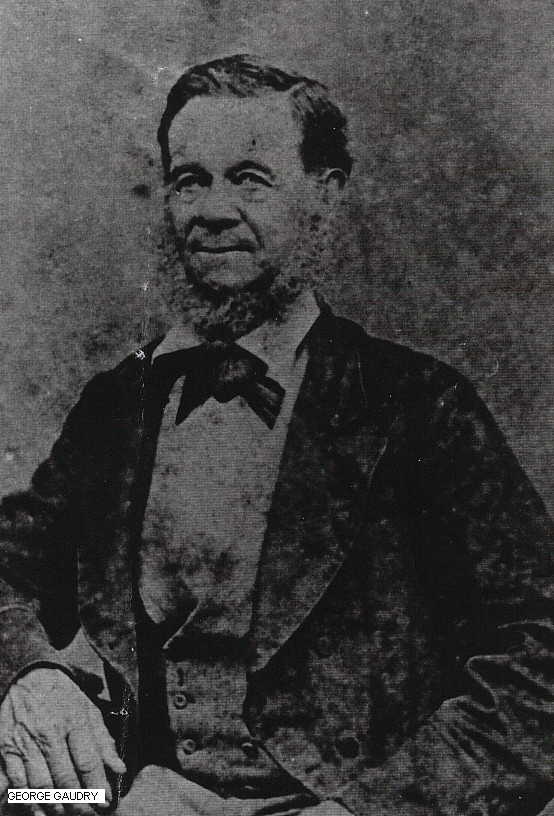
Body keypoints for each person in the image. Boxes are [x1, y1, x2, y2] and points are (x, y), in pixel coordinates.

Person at [0, 54, 552, 816]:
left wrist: (377, 810)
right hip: (138, 798)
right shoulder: (118, 406)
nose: (213, 210)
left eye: (249, 179)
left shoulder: (419, 408)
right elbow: (9, 566)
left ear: (325, 197)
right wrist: (31, 674)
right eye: (189, 180)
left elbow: (540, 652)